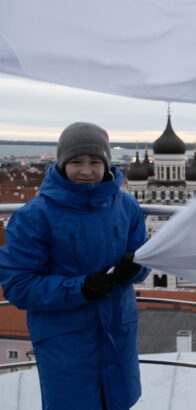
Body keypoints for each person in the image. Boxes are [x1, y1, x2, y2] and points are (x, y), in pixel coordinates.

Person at [0, 122, 151, 410]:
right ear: (61, 164)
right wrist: (80, 287)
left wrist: (136, 268)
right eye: (76, 161)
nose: (86, 170)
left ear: (106, 164)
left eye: (95, 161)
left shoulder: (127, 207)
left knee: (118, 402)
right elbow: (18, 286)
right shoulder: (35, 216)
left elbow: (145, 258)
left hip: (118, 334)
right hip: (66, 340)